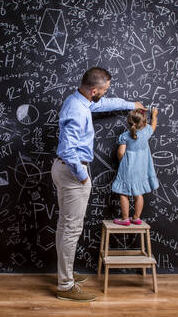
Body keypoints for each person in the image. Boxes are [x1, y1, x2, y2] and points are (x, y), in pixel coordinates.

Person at [51, 67, 147, 302]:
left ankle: (66, 275)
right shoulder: (77, 110)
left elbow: (103, 105)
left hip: (63, 169)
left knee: (65, 226)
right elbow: (67, 148)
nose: (105, 94)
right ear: (94, 90)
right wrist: (82, 176)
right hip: (73, 172)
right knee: (71, 229)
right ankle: (65, 285)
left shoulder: (79, 100)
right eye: (104, 90)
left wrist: (129, 103)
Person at [111, 108, 159, 226]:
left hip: (128, 167)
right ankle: (136, 218)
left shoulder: (125, 136)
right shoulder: (147, 131)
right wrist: (154, 114)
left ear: (129, 122)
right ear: (144, 122)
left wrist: (122, 161)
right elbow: (153, 125)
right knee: (139, 193)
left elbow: (121, 152)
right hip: (141, 168)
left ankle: (125, 219)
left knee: (123, 192)